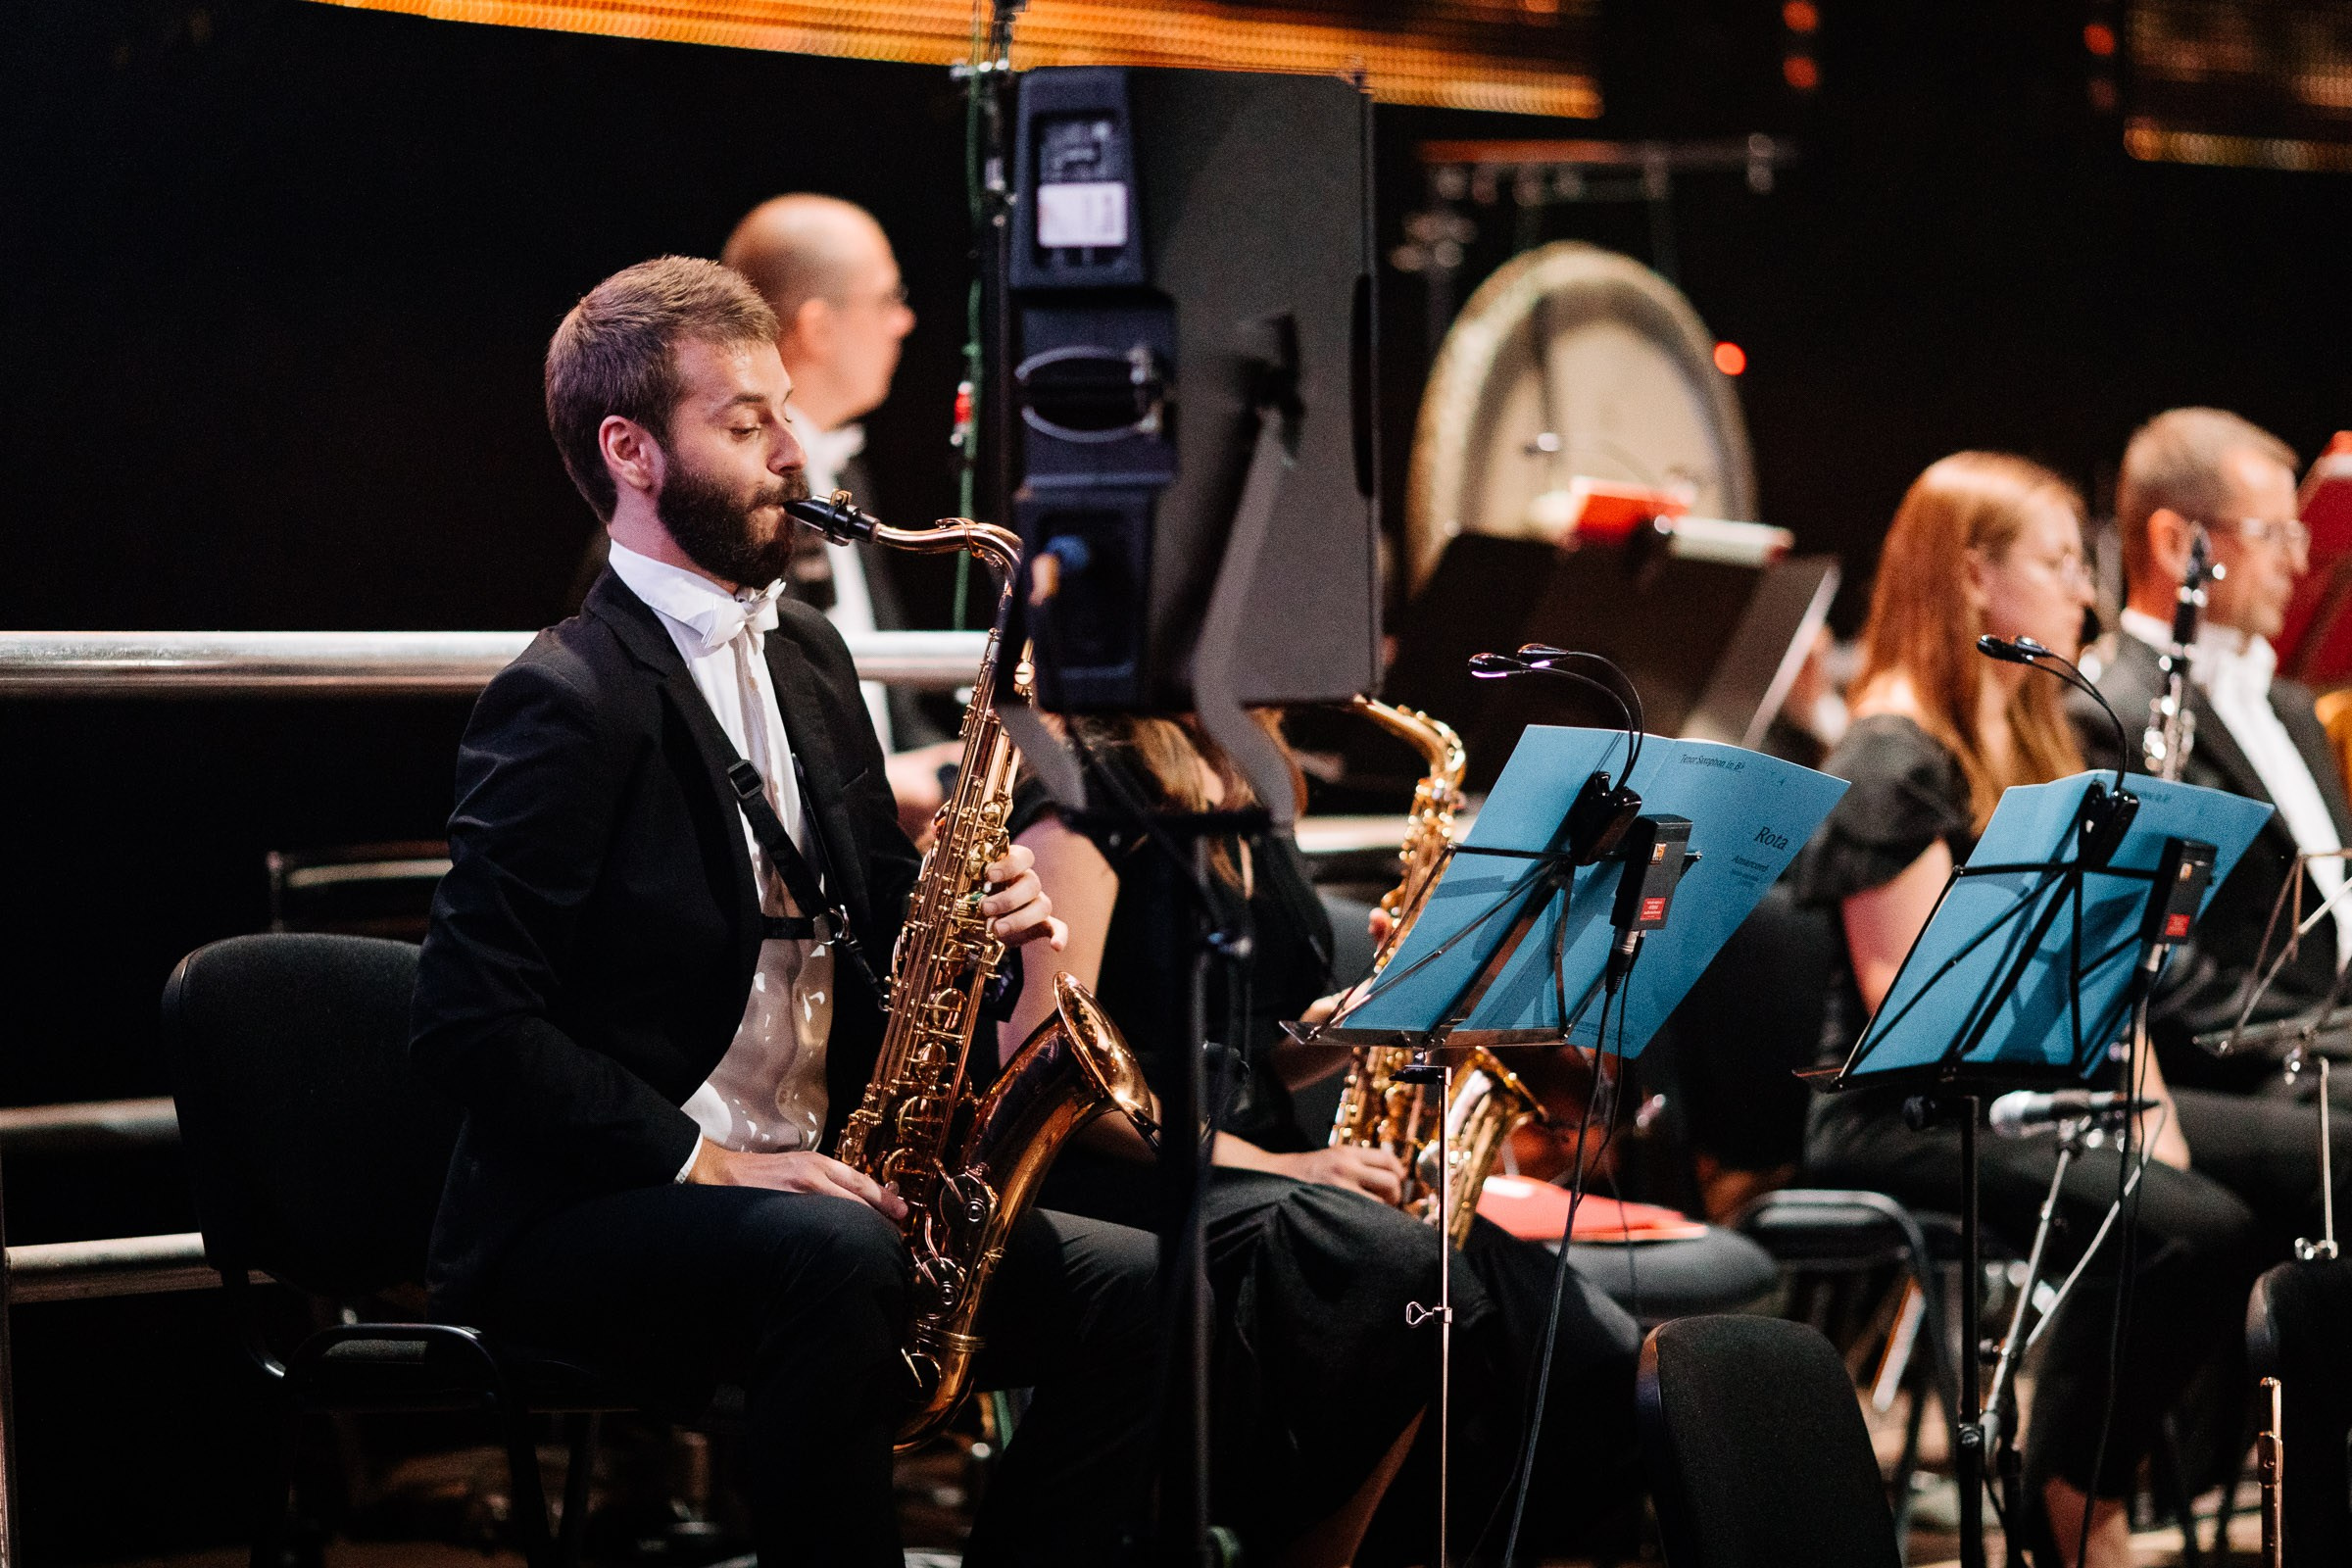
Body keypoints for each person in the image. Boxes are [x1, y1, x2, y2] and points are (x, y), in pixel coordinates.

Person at [413, 256, 1157, 1567]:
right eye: (745, 424)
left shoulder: (806, 652)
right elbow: (468, 1024)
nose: (790, 451)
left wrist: (982, 928)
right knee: (836, 1266)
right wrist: (714, 1164)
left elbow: (874, 927)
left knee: (1147, 1301)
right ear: (633, 453)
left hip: (817, 1176)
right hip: (589, 1216)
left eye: (783, 414)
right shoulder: (569, 698)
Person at [999, 711, 1642, 1567]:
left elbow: (1252, 1046)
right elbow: (1051, 1070)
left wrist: (1388, 1008)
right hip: (1112, 1171)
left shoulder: (1246, 779)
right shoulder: (1081, 790)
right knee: (1402, 1277)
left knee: (1580, 1340)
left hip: (1248, 1166)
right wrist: (1286, 1163)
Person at [1795, 452, 2269, 1568]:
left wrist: (2153, 1110)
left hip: (2032, 1092)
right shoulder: (1891, 756)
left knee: (2290, 1170)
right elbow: (1917, 1014)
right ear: (1973, 580)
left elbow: (2114, 983)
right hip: (1904, 1111)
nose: (2086, 595)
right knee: (2189, 1232)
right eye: (2060, 562)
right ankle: (2070, 1514)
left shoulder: (2035, 734)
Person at [2083, 408, 2352, 1083]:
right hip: (2249, 1068)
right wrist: (2319, 1044)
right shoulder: (2108, 716)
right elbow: (2164, 975)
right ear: (2178, 544)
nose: (2300, 560)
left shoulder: (2292, 707)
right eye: (2271, 534)